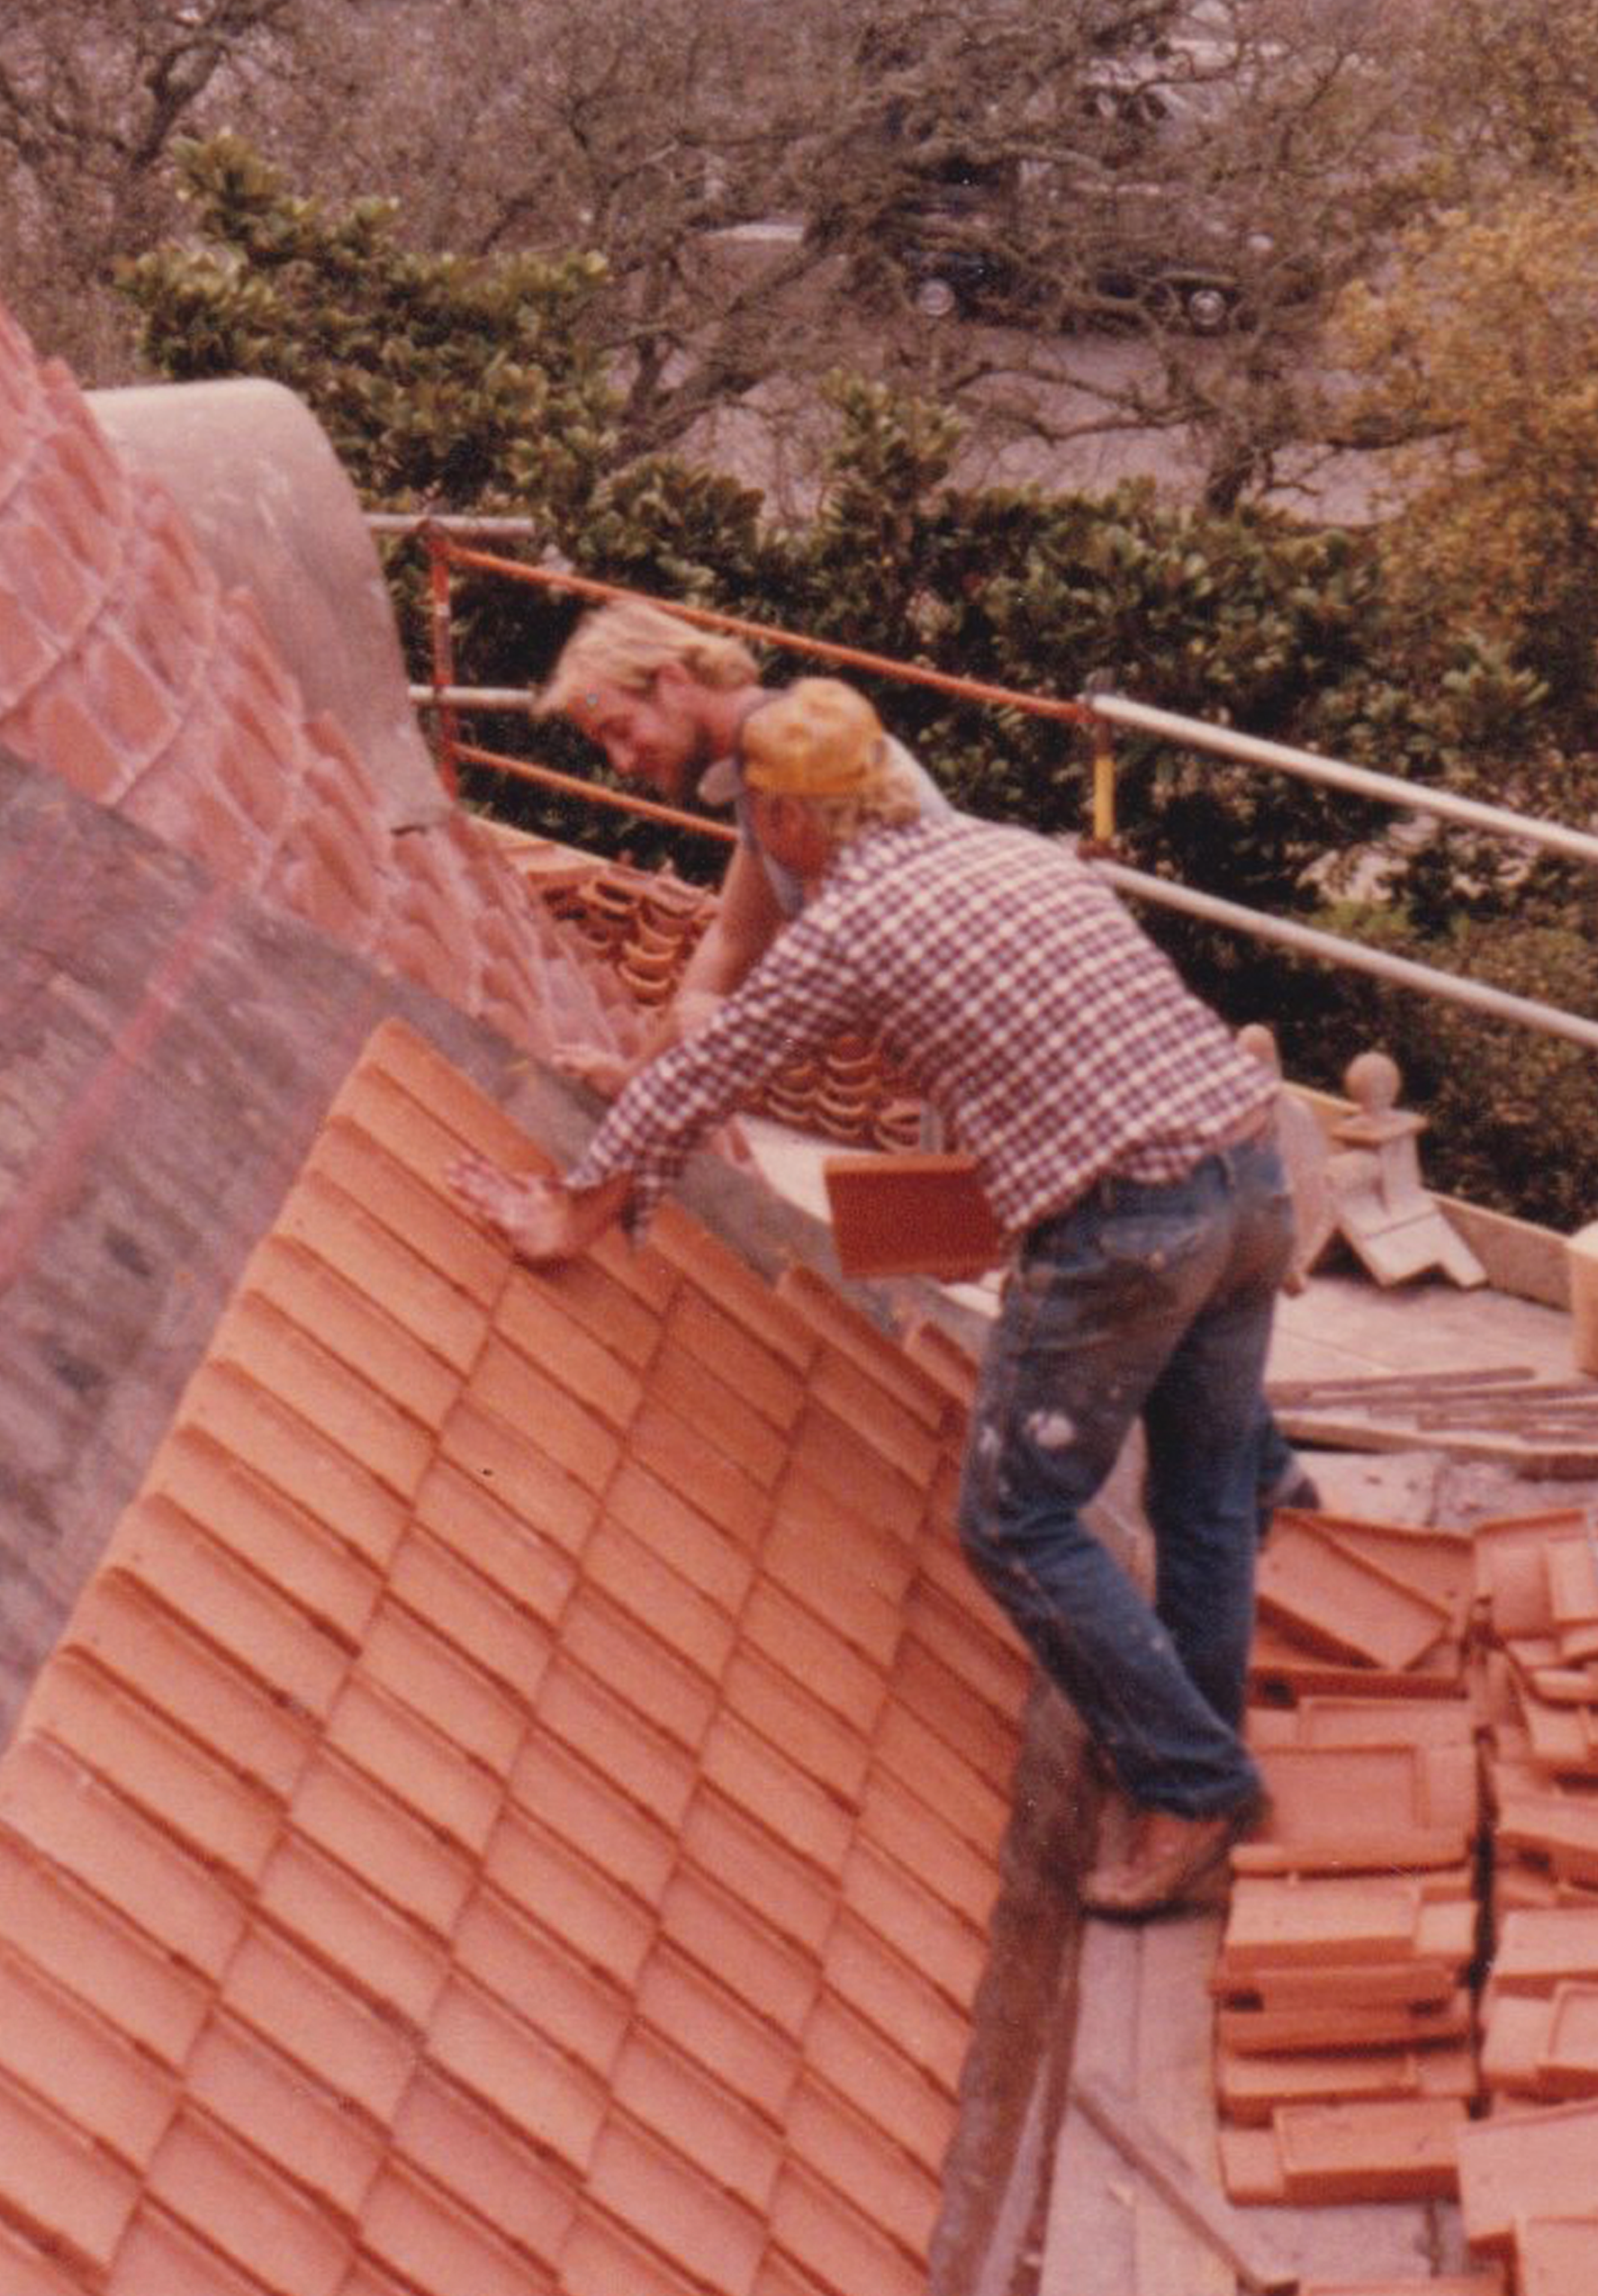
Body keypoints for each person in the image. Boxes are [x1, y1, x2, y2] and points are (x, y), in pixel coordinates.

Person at [448, 677, 1295, 1918]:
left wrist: (578, 1208)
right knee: (1207, 1487)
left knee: (1014, 1520)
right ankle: (1194, 1763)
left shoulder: (850, 925)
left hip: (1134, 1225)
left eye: (759, 817)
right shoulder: (1009, 849)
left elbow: (708, 1070)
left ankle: (1192, 1785)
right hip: (1251, 1175)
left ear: (792, 818)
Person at [535, 600, 950, 1065]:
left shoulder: (799, 761)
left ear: (673, 682)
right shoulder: (764, 758)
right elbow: (734, 940)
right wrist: (640, 1073)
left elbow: (827, 990)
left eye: (622, 729)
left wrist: (729, 1033)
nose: (623, 762)